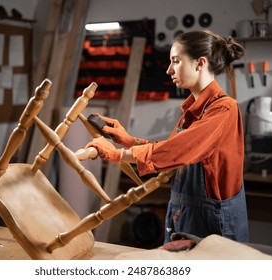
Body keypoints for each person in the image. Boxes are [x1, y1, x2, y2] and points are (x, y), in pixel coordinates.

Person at [85, 29, 249, 243]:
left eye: (176, 61)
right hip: (186, 216)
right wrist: (129, 140)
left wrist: (118, 155)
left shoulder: (224, 109)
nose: (169, 70)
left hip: (212, 226)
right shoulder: (191, 110)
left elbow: (178, 151)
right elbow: (171, 150)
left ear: (199, 64)